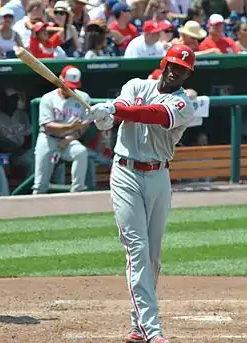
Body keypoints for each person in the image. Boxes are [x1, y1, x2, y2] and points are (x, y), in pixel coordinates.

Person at [89, 44, 196, 343]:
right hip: (125, 174)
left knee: (153, 257)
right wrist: (104, 118)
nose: (176, 71)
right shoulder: (136, 84)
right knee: (137, 251)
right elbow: (117, 116)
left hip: (159, 176)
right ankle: (152, 329)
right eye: (174, 64)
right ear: (164, 63)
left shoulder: (183, 103)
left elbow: (151, 114)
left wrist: (114, 109)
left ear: (188, 75)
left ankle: (137, 326)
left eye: (183, 69)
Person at [33, 65, 91, 194]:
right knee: (40, 184)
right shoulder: (48, 98)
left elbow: (85, 125)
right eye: (67, 86)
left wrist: (71, 137)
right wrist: (70, 127)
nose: (70, 90)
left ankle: (77, 192)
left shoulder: (84, 98)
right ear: (60, 80)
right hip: (48, 139)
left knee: (80, 152)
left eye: (73, 87)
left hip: (69, 140)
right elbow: (47, 125)